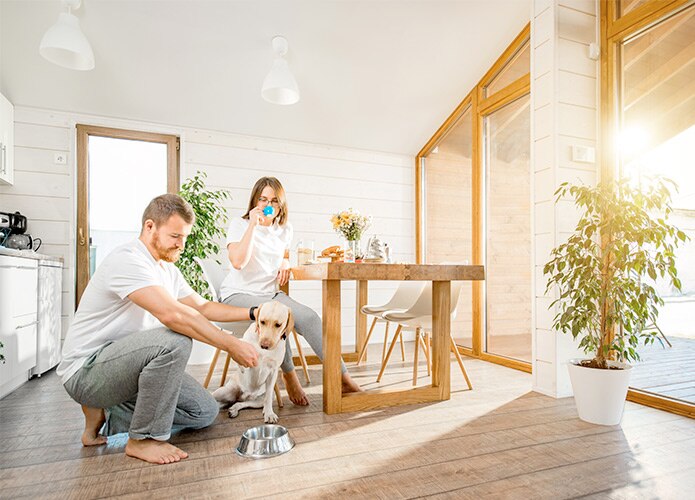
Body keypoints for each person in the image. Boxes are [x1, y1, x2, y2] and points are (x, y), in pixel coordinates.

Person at [57, 194, 259, 465]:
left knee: (205, 411)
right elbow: (173, 314)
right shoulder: (128, 260)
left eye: (185, 237)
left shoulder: (167, 270)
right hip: (87, 371)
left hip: (125, 369)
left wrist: (252, 312)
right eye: (176, 236)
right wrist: (230, 344)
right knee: (174, 340)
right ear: (150, 226)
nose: (182, 244)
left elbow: (204, 307)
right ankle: (143, 439)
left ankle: (106, 412)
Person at [220, 177, 362, 405]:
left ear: (281, 205)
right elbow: (238, 261)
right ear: (255, 201)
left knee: (310, 318)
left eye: (274, 201)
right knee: (274, 317)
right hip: (237, 295)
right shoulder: (240, 223)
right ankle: (290, 377)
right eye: (263, 199)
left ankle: (342, 377)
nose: (268, 205)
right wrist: (253, 226)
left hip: (269, 295)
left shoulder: (284, 229)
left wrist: (285, 263)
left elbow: (283, 255)